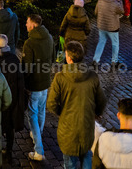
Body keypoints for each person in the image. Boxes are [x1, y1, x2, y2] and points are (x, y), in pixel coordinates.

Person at [48, 41, 106, 169]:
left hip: (68, 131)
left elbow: (51, 104)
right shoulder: (92, 76)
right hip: (87, 128)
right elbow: (102, 100)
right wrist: (96, 113)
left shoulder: (60, 77)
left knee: (69, 164)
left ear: (68, 57)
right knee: (86, 158)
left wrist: (61, 112)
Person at [22, 14, 54, 163]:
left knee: (32, 114)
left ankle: (38, 149)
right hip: (45, 81)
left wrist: (24, 83)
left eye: (27, 23)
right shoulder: (49, 37)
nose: (26, 25)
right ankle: (38, 133)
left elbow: (27, 68)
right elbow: (53, 58)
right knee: (41, 109)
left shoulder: (30, 43)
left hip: (34, 84)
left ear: (33, 25)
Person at [0, 35, 25, 161]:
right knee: (10, 126)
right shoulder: (14, 59)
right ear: (7, 45)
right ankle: (9, 150)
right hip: (11, 99)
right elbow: (20, 81)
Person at [93, 0, 124, 69]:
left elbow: (96, 12)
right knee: (115, 44)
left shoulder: (100, 0)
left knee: (101, 42)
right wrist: (120, 1)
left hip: (102, 26)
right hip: (112, 27)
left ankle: (95, 60)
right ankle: (114, 62)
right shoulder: (115, 2)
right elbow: (122, 11)